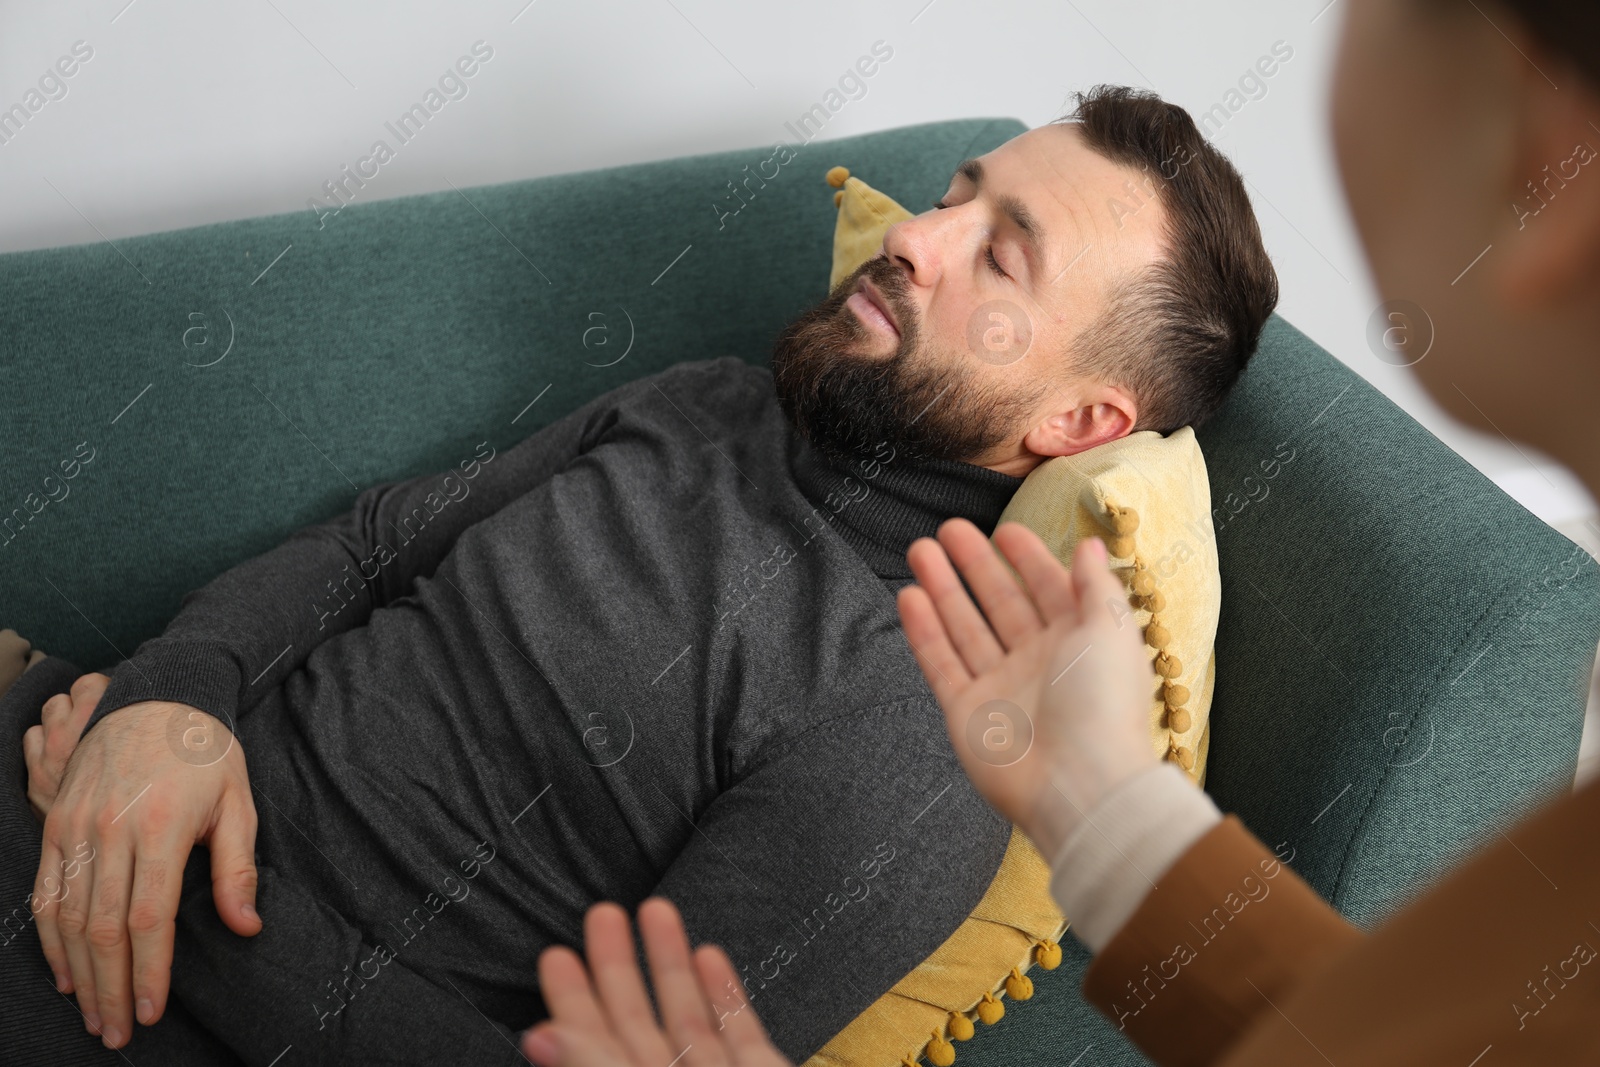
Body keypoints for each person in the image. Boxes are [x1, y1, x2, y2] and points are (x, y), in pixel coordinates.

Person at [1, 85, 1280, 1063]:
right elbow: (376, 542)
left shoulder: (918, 722)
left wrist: (167, 874)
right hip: (109, 770)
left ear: (1078, 428)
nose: (915, 237)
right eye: (956, 191)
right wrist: (169, 699)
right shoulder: (711, 401)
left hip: (168, 988)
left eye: (999, 254)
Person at [512, 0, 1600, 1064]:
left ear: (1544, 153)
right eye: (951, 200)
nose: (908, 235)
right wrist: (1106, 807)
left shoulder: (888, 727)